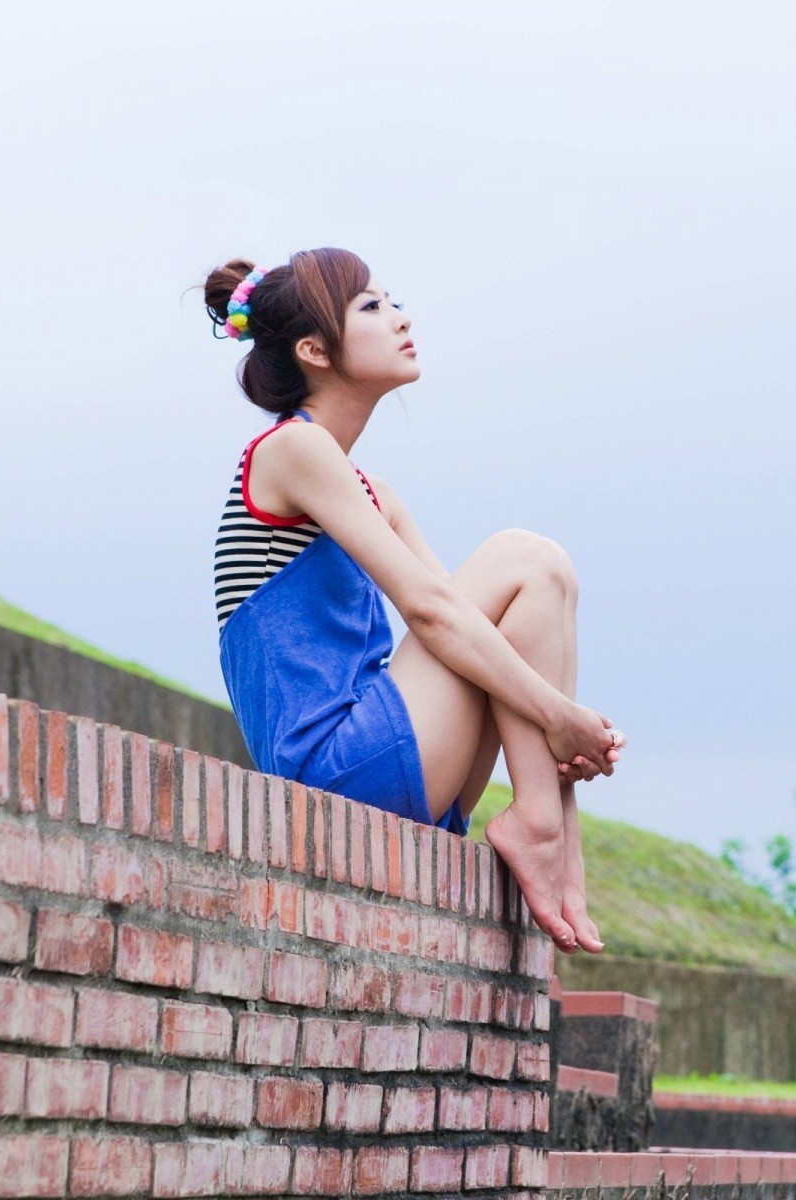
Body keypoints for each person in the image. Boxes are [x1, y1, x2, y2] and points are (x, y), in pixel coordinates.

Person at [202, 247, 620, 955]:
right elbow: (432, 613)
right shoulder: (287, 452)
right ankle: (545, 830)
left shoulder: (370, 492)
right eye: (372, 306)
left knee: (538, 580)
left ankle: (551, 825)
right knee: (525, 560)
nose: (399, 317)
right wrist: (558, 717)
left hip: (384, 767)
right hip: (330, 775)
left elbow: (462, 622)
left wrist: (559, 721)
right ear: (314, 350)